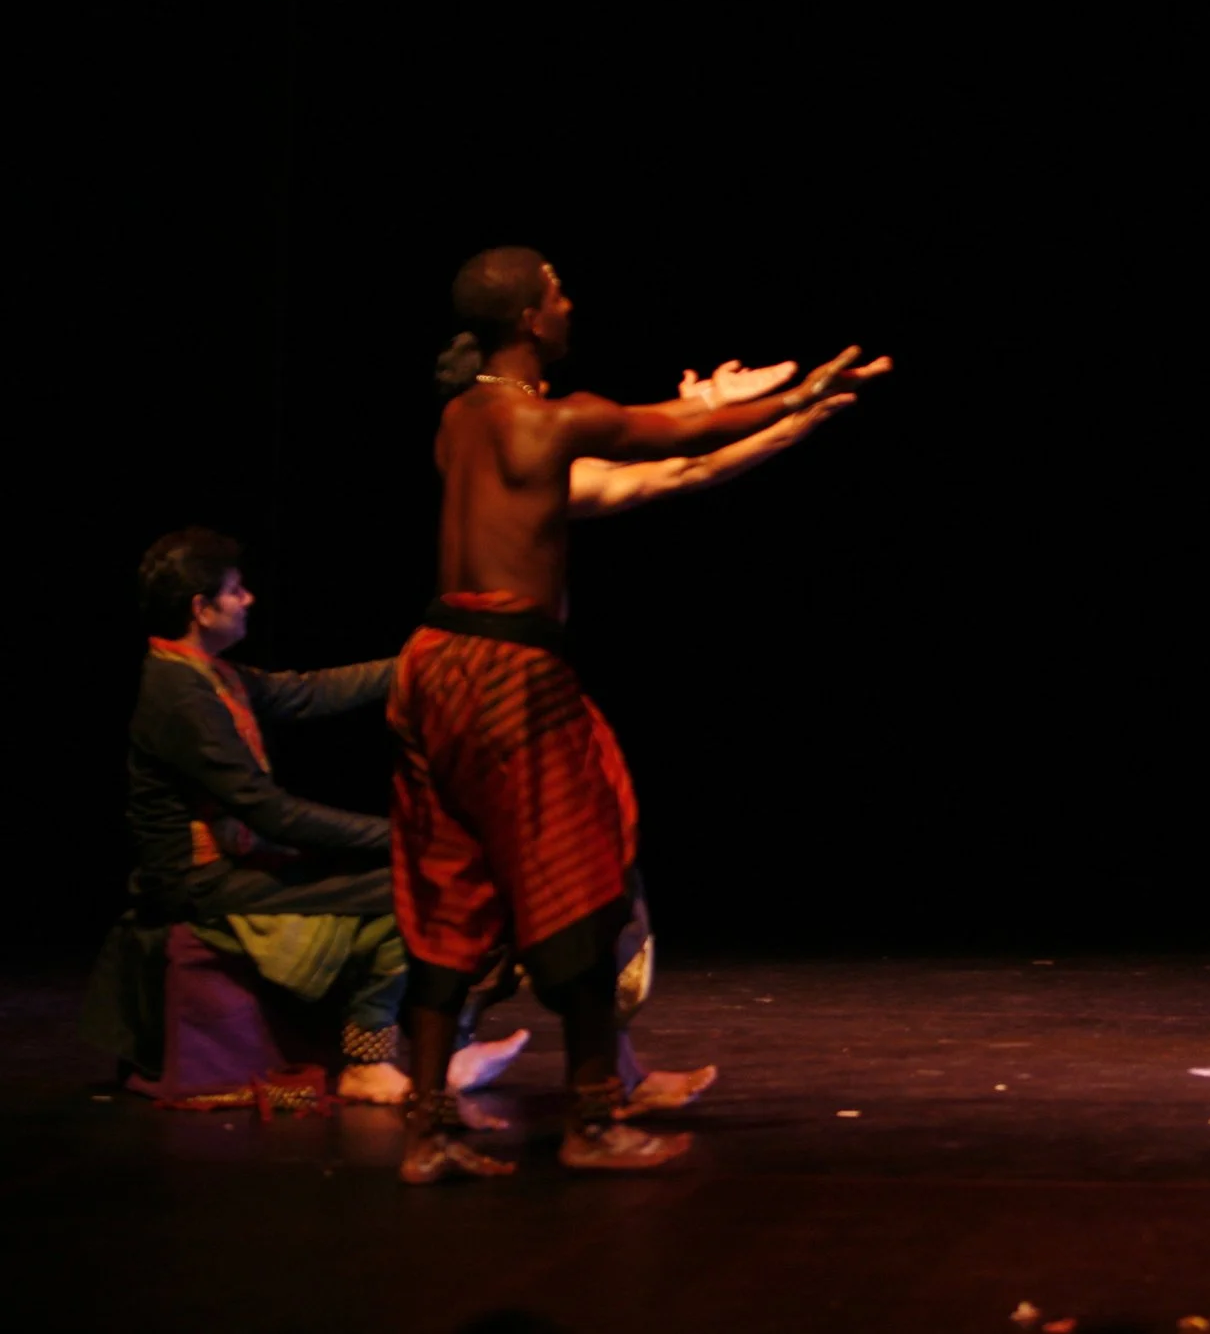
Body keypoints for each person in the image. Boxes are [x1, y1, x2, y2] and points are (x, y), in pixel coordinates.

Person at [393, 245, 888, 1181]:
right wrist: (799, 395)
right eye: (557, 293)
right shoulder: (551, 421)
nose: (570, 304)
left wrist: (735, 410)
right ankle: (591, 1118)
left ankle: (427, 1133)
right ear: (531, 319)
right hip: (509, 671)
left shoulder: (460, 418)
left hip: (431, 660)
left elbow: (670, 452)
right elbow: (665, 435)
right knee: (580, 877)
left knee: (449, 884)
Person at [116, 529, 434, 1103]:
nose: (249, 600)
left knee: (398, 879)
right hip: (199, 880)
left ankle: (440, 1049)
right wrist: (398, 837)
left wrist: (417, 664)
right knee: (400, 884)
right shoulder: (179, 694)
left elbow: (306, 692)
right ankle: (370, 1064)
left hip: (237, 860)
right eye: (236, 590)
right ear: (200, 608)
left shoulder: (204, 672)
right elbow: (271, 813)